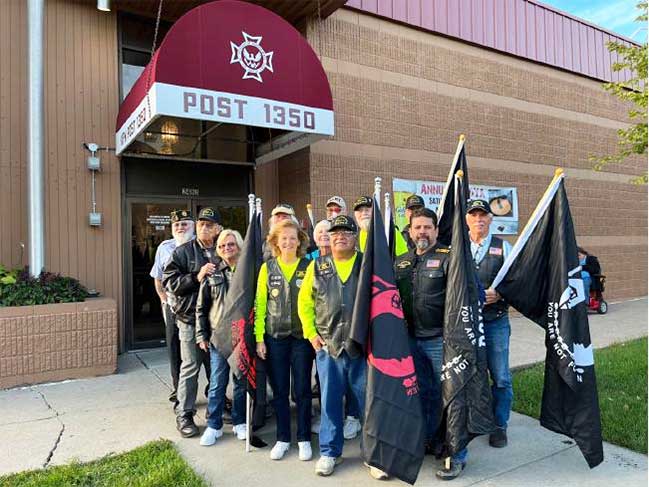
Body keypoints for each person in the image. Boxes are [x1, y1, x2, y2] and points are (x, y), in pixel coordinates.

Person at [298, 215, 387, 480]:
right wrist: (312, 335)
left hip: (362, 349)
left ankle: (374, 456)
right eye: (335, 232)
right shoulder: (317, 266)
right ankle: (329, 452)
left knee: (368, 404)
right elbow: (304, 304)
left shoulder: (367, 264)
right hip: (329, 348)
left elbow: (381, 303)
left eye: (346, 232)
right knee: (330, 403)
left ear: (354, 236)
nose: (340, 236)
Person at [394, 207, 468, 480]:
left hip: (441, 340)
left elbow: (462, 298)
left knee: (451, 396)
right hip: (411, 341)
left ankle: (456, 454)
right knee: (423, 394)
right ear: (410, 231)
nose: (422, 232)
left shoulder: (450, 258)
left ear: (436, 230)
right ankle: (429, 440)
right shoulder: (401, 262)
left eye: (427, 227)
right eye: (417, 227)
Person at [255, 219, 314, 461]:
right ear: (276, 242)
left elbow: (314, 302)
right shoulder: (267, 268)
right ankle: (282, 438)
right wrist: (259, 338)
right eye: (284, 238)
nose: (289, 241)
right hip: (275, 338)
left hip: (301, 339)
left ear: (299, 241)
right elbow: (259, 304)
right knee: (279, 391)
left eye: (293, 237)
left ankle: (303, 438)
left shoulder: (309, 266)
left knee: (301, 390)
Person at [162, 207, 221, 438]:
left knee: (216, 367)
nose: (204, 228)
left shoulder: (223, 249)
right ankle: (184, 413)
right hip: (189, 319)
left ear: (218, 229)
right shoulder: (183, 252)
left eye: (209, 224)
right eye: (201, 224)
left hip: (216, 320)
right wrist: (196, 277)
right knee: (190, 367)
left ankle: (217, 406)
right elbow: (170, 282)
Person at [466, 199, 513, 452]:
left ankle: (499, 424)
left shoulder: (504, 247)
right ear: (467, 220)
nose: (478, 219)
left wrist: (502, 293)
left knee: (501, 377)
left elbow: (517, 279)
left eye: (483, 215)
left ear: (490, 219)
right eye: (473, 215)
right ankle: (476, 420)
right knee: (470, 374)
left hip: (495, 322)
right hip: (467, 323)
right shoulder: (459, 248)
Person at [195, 228, 247, 446]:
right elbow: (201, 307)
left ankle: (240, 422)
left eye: (231, 244)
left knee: (240, 383)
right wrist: (201, 335)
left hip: (241, 337)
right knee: (217, 383)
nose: (227, 248)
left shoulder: (247, 272)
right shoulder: (212, 273)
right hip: (218, 337)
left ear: (239, 246)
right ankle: (214, 425)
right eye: (223, 246)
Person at [149, 209, 194, 408]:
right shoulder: (164, 248)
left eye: (184, 224)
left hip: (196, 305)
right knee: (174, 347)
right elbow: (157, 277)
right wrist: (163, 299)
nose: (181, 227)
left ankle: (214, 392)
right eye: (177, 225)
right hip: (173, 305)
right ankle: (178, 389)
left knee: (204, 350)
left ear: (192, 226)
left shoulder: (199, 246)